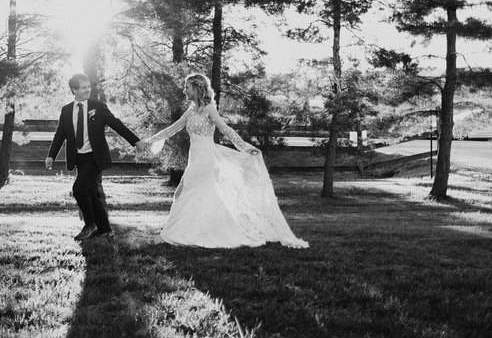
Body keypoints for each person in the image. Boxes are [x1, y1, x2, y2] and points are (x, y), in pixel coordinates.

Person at [142, 73, 308, 249]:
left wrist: (244, 146)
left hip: (205, 158)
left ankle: (170, 234)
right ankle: (189, 231)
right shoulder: (190, 111)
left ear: (198, 89)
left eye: (187, 87)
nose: (184, 90)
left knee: (184, 193)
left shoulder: (209, 109)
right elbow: (172, 129)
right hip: (195, 157)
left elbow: (225, 129)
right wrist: (149, 141)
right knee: (189, 194)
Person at [45, 73, 144, 240]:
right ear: (74, 89)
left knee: (78, 189)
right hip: (79, 157)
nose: (87, 90)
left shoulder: (98, 106)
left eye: (88, 86)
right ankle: (105, 229)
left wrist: (135, 141)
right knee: (92, 192)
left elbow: (116, 124)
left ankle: (90, 224)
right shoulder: (67, 110)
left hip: (95, 157)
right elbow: (60, 134)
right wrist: (51, 156)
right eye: (83, 87)